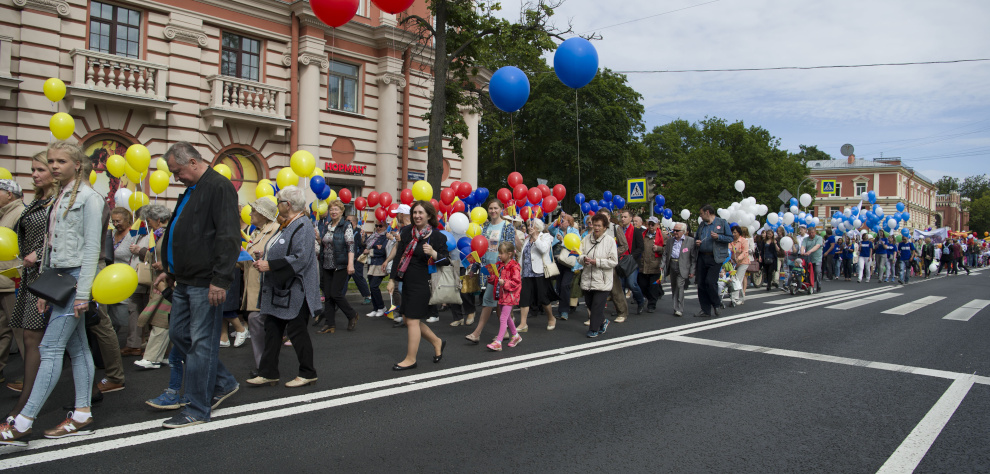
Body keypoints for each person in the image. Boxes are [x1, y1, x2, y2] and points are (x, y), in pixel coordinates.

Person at [0, 142, 103, 445]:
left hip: (76, 280)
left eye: (61, 161)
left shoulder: (90, 198)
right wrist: (46, 289)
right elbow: (50, 245)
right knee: (78, 348)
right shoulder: (60, 196)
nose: (54, 166)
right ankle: (82, 414)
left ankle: (23, 422)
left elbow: (92, 250)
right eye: (52, 161)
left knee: (50, 348)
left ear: (77, 165)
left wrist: (83, 294)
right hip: (59, 279)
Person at [156, 141, 240, 429]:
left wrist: (220, 279)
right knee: (180, 334)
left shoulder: (218, 186)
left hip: (205, 282)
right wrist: (169, 269)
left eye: (177, 170)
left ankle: (197, 408)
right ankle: (224, 382)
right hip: (184, 279)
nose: (175, 176)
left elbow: (228, 236)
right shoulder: (192, 189)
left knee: (202, 344)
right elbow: (183, 233)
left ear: (193, 162)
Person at [247, 186, 320, 388]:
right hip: (281, 289)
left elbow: (301, 258)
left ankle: (308, 373)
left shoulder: (303, 225)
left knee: (297, 332)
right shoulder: (287, 224)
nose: (277, 205)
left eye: (279, 201)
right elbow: (282, 248)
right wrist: (265, 256)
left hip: (296, 290)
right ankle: (268, 372)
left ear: (287, 205)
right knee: (272, 329)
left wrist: (270, 265)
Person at [4, 153, 56, 402]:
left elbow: (66, 237)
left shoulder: (58, 200)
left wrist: (41, 252)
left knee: (32, 335)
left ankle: (28, 399)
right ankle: (88, 391)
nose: (34, 174)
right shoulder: (38, 200)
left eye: (40, 169)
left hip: (47, 276)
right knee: (34, 335)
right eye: (33, 169)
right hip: (30, 275)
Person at [387, 201, 448, 370]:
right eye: (414, 212)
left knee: (413, 320)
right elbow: (399, 256)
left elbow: (446, 260)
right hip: (407, 281)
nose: (417, 216)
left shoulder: (437, 236)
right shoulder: (407, 231)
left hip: (424, 282)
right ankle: (437, 341)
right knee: (408, 319)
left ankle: (410, 359)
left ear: (429, 215)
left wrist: (433, 253)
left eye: (421, 213)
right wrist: (392, 280)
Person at [465, 199, 515, 343]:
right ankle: (507, 332)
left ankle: (477, 333)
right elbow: (479, 249)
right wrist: (475, 267)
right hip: (488, 269)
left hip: (500, 270)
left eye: (495, 208)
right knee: (498, 302)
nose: (493, 211)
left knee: (488, 300)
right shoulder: (485, 227)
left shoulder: (507, 226)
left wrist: (506, 270)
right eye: (490, 208)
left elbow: (510, 250)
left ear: (501, 209)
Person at [132, 204, 172, 369]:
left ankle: (152, 357)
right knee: (163, 320)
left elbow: (177, 255)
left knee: (160, 320)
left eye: (149, 221)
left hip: (167, 282)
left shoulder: (169, 234)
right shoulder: (160, 234)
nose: (148, 225)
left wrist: (165, 266)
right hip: (160, 282)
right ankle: (165, 355)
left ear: (158, 219)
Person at [242, 198, 279, 374]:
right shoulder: (258, 232)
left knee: (256, 321)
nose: (250, 214)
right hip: (255, 286)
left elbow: (278, 257)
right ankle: (264, 365)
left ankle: (264, 367)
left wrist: (263, 257)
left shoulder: (275, 230)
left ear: (264, 215)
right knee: (257, 322)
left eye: (254, 211)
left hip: (265, 286)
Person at [107, 207, 145, 357]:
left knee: (128, 311)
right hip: (111, 279)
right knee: (112, 311)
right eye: (113, 221)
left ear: (128, 220)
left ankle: (133, 343)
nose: (116, 224)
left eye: (119, 221)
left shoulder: (134, 234)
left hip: (127, 278)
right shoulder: (112, 234)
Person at [317, 200, 357, 333]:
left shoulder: (346, 225)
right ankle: (330, 324)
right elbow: (326, 243)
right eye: (331, 209)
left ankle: (352, 314)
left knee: (335, 293)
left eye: (336, 209)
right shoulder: (327, 225)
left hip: (340, 265)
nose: (333, 212)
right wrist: (318, 239)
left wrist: (350, 264)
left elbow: (350, 245)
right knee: (328, 295)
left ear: (341, 211)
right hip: (326, 264)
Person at [0, 179, 25, 387]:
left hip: (12, 281)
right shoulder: (4, 213)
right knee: (3, 329)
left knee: (20, 330)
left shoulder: (19, 213)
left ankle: (32, 376)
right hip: (3, 280)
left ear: (9, 194)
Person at [580, 213, 618, 337]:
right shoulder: (586, 239)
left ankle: (593, 329)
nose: (596, 228)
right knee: (590, 304)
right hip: (587, 278)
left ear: (605, 227)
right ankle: (603, 321)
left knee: (597, 305)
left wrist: (597, 262)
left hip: (603, 280)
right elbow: (579, 254)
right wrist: (583, 259)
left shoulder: (610, 241)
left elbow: (613, 261)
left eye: (599, 226)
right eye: (594, 225)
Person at [694, 205, 732, 318]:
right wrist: (697, 242)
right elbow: (696, 238)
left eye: (701, 214)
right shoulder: (702, 225)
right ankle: (705, 310)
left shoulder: (722, 222)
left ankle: (716, 304)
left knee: (710, 282)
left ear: (707, 212)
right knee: (701, 284)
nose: (700, 216)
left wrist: (719, 237)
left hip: (715, 257)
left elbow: (730, 238)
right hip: (702, 256)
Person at [517, 218, 555, 331]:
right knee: (524, 298)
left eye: (532, 225)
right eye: (528, 225)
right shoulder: (527, 239)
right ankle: (523, 323)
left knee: (543, 298)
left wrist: (535, 237)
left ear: (538, 227)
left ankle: (551, 318)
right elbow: (523, 256)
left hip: (540, 272)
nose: (529, 227)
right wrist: (519, 270)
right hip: (526, 273)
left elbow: (543, 249)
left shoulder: (545, 237)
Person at [486, 242, 522, 351]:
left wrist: (505, 282)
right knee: (507, 317)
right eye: (499, 253)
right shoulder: (501, 265)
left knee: (503, 317)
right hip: (503, 295)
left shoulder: (514, 267)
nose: (499, 255)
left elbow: (516, 282)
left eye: (501, 253)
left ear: (509, 254)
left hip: (510, 296)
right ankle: (515, 335)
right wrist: (490, 277)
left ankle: (498, 342)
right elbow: (496, 280)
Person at [548, 213, 579, 320]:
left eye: (563, 221)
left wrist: (562, 240)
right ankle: (562, 310)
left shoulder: (574, 231)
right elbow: (550, 228)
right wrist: (558, 219)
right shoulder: (557, 230)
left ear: (569, 223)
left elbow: (576, 245)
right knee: (559, 286)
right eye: (560, 221)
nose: (560, 223)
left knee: (565, 285)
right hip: (558, 262)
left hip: (569, 263)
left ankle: (565, 311)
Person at [663, 222, 696, 317]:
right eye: (674, 230)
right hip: (672, 264)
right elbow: (665, 254)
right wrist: (662, 265)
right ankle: (675, 307)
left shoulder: (690, 241)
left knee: (679, 285)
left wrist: (692, 271)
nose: (675, 232)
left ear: (683, 231)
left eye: (677, 231)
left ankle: (679, 308)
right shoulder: (670, 240)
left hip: (683, 266)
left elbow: (693, 257)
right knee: (674, 287)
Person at [618, 210, 646, 316]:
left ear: (630, 218)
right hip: (620, 261)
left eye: (625, 217)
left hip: (631, 261)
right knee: (620, 286)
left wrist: (631, 256)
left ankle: (640, 301)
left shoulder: (636, 231)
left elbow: (640, 247)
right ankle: (622, 308)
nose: (623, 219)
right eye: (622, 217)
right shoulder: (618, 230)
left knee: (632, 284)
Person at [363, 219, 389, 319]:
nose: (378, 228)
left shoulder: (386, 237)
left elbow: (382, 251)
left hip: (380, 264)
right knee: (371, 286)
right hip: (371, 263)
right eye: (376, 226)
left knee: (374, 286)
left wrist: (370, 251)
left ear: (385, 227)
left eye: (380, 226)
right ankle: (375, 308)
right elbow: (364, 245)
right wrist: (363, 238)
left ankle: (381, 307)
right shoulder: (373, 236)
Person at [638, 216, 664, 313]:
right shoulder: (642, 235)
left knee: (653, 287)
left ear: (657, 225)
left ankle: (652, 305)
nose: (651, 226)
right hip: (643, 266)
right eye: (649, 224)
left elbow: (667, 250)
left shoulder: (662, 236)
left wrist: (659, 248)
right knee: (642, 285)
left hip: (655, 266)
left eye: (653, 224)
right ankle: (652, 297)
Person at [345, 215, 372, 306]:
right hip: (347, 259)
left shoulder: (360, 232)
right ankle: (339, 297)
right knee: (344, 278)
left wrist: (363, 238)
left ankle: (367, 296)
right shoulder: (345, 231)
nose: (347, 222)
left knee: (358, 277)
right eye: (346, 220)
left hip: (357, 259)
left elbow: (364, 245)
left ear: (354, 222)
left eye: (349, 220)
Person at [728, 225, 750, 305]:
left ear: (739, 233)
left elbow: (745, 252)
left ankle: (735, 298)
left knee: (738, 279)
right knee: (732, 279)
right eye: (732, 232)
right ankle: (739, 296)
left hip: (743, 262)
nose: (733, 234)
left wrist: (739, 258)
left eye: (735, 232)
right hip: (732, 263)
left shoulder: (743, 241)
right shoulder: (730, 241)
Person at [801, 226, 824, 292]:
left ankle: (818, 284)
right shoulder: (806, 239)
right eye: (810, 233)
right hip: (809, 258)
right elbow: (803, 246)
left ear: (815, 232)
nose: (811, 234)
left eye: (812, 233)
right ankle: (810, 284)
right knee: (808, 272)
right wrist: (802, 252)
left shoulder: (819, 238)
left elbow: (817, 246)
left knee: (817, 271)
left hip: (817, 258)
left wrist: (809, 251)